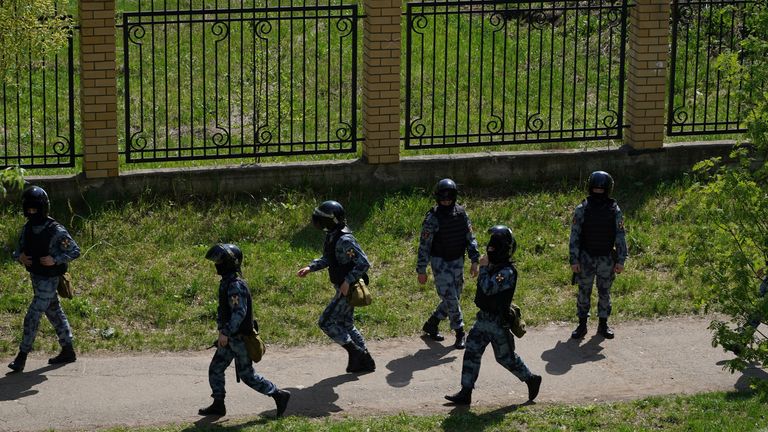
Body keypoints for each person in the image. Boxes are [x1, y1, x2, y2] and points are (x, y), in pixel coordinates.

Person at [445, 225, 542, 405]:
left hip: (498, 323)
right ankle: (466, 392)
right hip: (483, 319)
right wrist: (486, 266)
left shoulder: (507, 272)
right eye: (490, 245)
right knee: (472, 352)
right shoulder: (494, 266)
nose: (490, 249)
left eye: (494, 246)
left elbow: (488, 288)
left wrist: (483, 268)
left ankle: (531, 379)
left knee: (505, 358)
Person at [199, 243, 290, 418]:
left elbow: (239, 313)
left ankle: (278, 394)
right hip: (231, 337)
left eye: (220, 261)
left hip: (239, 338)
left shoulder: (235, 285)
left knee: (247, 375)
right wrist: (222, 331)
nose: (216, 264)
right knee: (216, 369)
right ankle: (218, 404)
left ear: (230, 263)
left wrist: (225, 332)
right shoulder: (227, 282)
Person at [8, 186, 81, 373]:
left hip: (49, 280)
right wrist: (20, 257)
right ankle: (68, 350)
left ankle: (21, 357)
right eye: (29, 209)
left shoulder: (55, 230)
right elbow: (18, 250)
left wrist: (54, 259)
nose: (31, 212)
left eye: (35, 209)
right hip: (36, 278)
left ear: (42, 208)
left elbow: (74, 251)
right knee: (55, 312)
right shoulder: (28, 228)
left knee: (32, 316)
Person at [297, 200, 375, 373]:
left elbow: (364, 263)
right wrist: (311, 267)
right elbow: (328, 258)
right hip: (343, 286)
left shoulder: (345, 239)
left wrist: (348, 281)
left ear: (330, 221)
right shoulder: (332, 235)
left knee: (325, 322)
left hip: (349, 289)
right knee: (346, 323)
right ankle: (366, 360)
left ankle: (357, 353)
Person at [417, 178, 480, 349]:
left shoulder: (461, 214)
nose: (446, 201)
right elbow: (424, 246)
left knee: (454, 296)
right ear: (438, 198)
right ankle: (460, 332)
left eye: (449, 198)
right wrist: (421, 270)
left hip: (457, 260)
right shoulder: (432, 218)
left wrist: (475, 260)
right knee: (451, 298)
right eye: (443, 198)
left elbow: (470, 238)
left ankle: (433, 322)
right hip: (440, 262)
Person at [569, 171, 628, 340]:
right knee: (583, 292)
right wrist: (574, 259)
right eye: (596, 189)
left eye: (600, 190)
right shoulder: (582, 209)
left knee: (604, 292)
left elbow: (620, 235)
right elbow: (575, 235)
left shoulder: (614, 210)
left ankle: (603, 325)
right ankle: (582, 325)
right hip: (586, 257)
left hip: (606, 259)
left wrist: (621, 259)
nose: (598, 192)